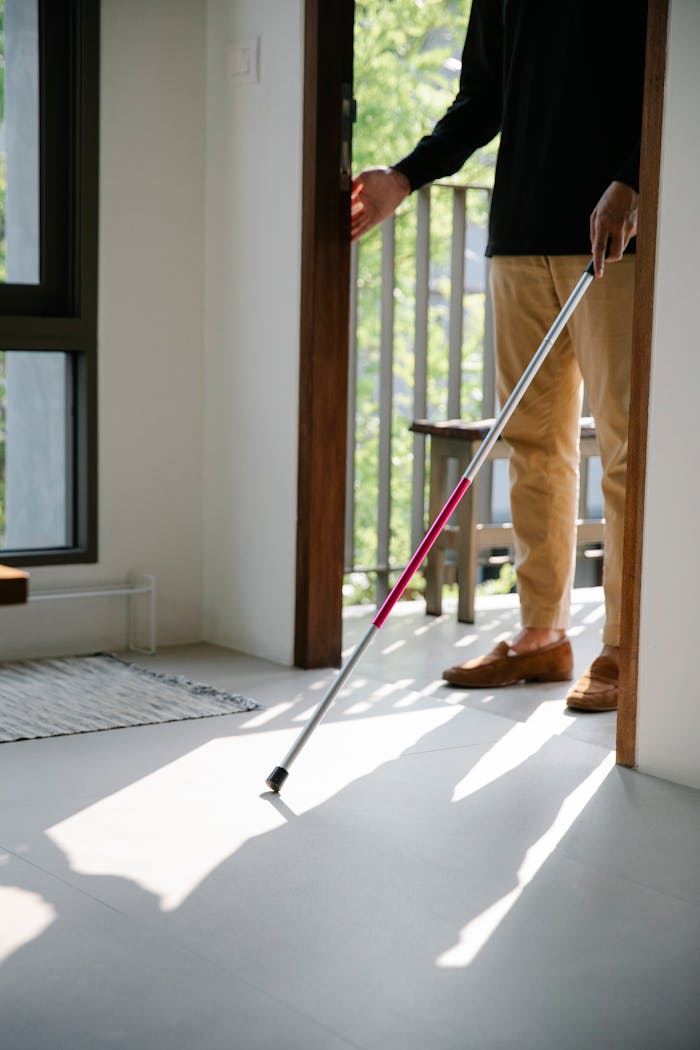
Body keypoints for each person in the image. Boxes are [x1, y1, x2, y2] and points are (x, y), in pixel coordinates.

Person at [351, 0, 647, 712]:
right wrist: (407, 175)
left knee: (627, 449)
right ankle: (541, 636)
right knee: (532, 443)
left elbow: (668, 76)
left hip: (619, 234)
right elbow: (483, 97)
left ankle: (625, 647)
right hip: (518, 230)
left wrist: (636, 176)